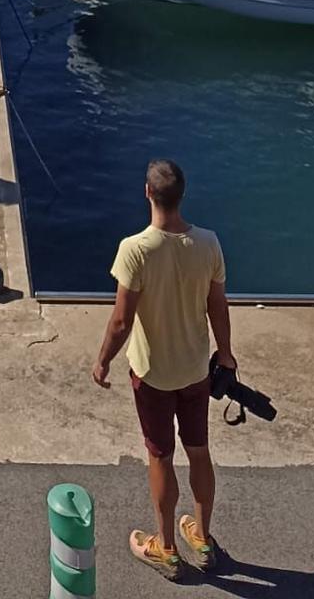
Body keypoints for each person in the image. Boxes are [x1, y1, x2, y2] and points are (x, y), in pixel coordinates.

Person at [93, 159, 233, 580]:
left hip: (152, 374)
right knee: (199, 452)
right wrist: (225, 354)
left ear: (147, 193)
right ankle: (203, 538)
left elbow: (121, 321)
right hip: (195, 370)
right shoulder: (208, 243)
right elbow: (217, 306)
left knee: (160, 455)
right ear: (182, 195)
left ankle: (167, 547)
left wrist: (102, 361)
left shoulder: (135, 249)